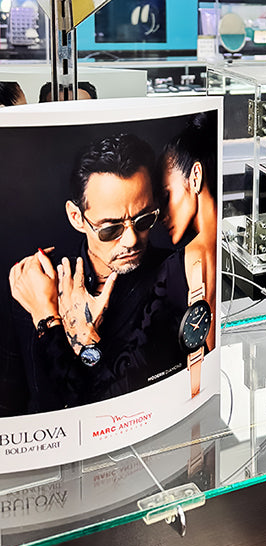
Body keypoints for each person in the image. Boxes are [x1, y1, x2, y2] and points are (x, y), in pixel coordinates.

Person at [3, 133, 188, 414]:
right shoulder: (33, 283)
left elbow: (113, 404)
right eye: (110, 229)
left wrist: (49, 319)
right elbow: (11, 403)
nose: (131, 240)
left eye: (144, 219)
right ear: (76, 217)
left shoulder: (175, 274)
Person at [158, 113, 217, 352]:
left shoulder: (170, 271)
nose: (161, 214)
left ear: (195, 177)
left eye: (166, 195)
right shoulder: (225, 252)